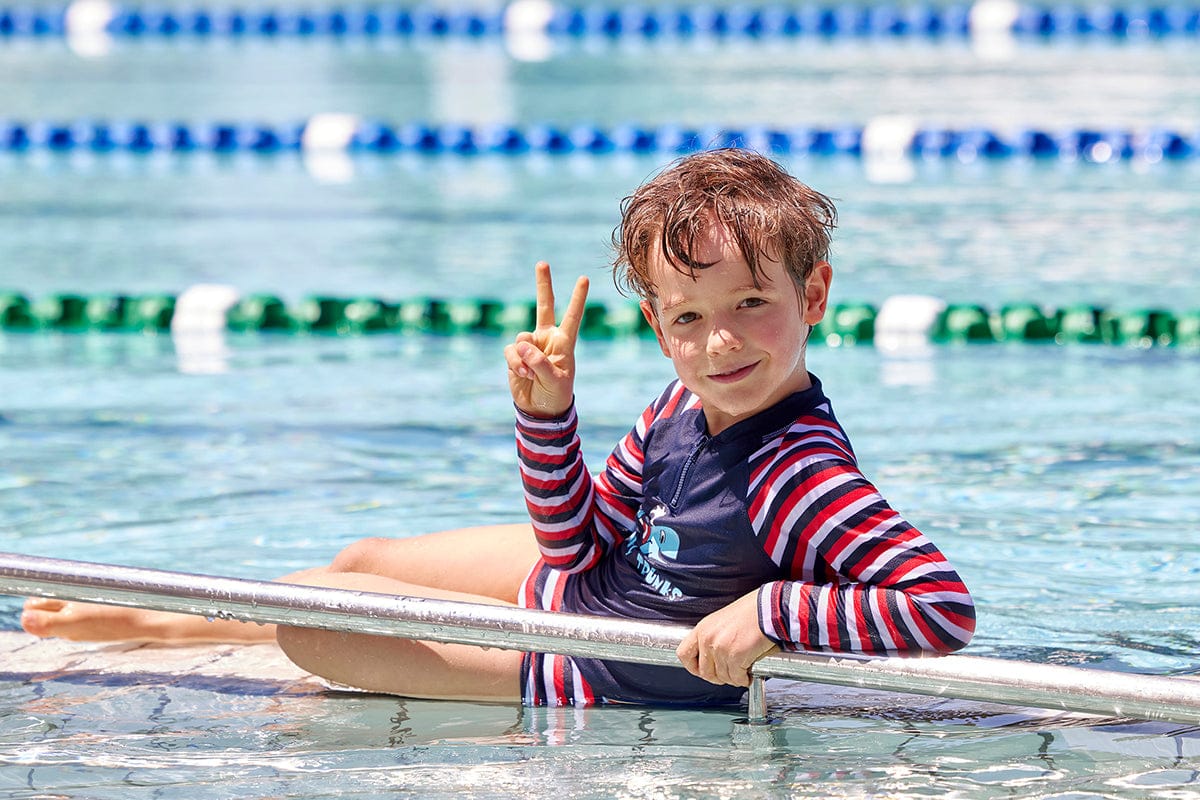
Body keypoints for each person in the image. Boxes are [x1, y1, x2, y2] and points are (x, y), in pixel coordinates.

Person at [21, 148, 975, 706]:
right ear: (658, 325)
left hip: (596, 660)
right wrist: (547, 418)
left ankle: (183, 620)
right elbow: (574, 541)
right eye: (689, 317)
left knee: (311, 617)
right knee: (359, 559)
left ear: (815, 294)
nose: (719, 341)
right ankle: (184, 622)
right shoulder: (681, 405)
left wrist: (771, 612)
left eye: (752, 304)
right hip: (596, 582)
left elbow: (940, 608)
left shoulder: (800, 473)